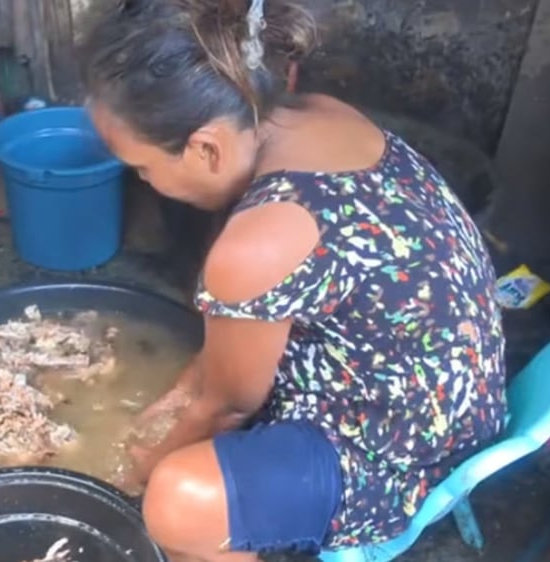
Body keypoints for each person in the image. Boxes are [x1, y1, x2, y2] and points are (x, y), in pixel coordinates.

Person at [78, 0, 508, 560]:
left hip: (403, 448)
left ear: (206, 147)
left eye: (142, 168)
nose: (142, 181)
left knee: (176, 500)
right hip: (457, 388)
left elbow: (227, 408)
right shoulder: (317, 114)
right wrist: (180, 392)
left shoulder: (255, 245)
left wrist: (133, 475)